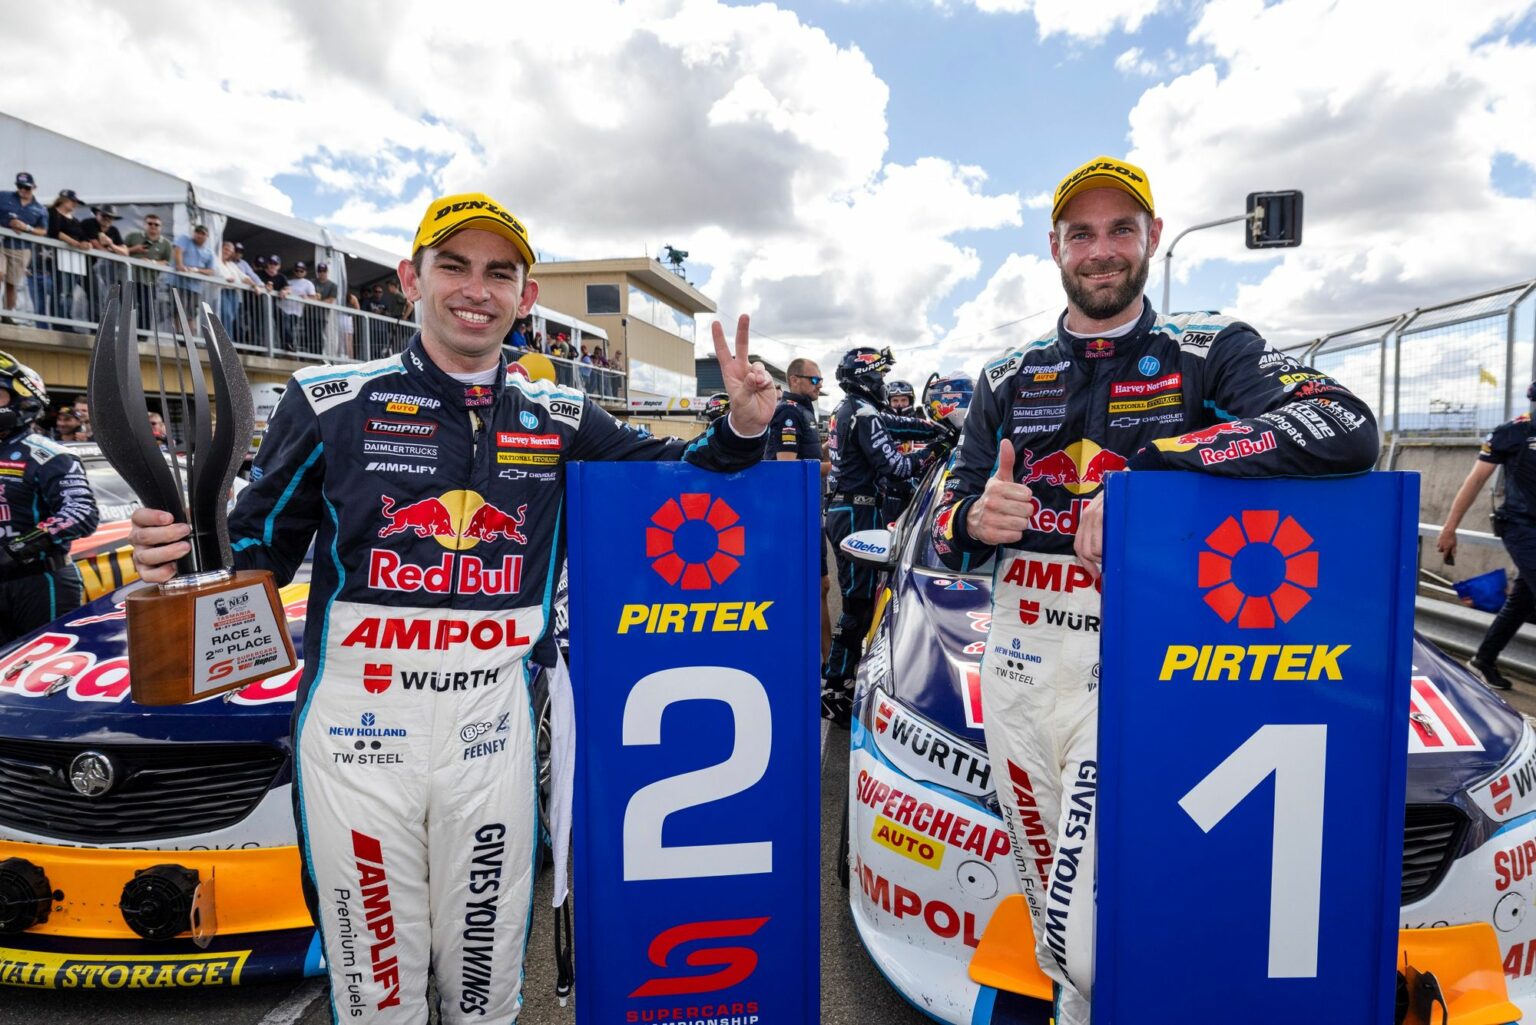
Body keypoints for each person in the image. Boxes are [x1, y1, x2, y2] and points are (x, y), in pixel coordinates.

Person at [128, 190, 775, 1025]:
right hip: (357, 743)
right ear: (412, 279)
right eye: (455, 266)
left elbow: (676, 475)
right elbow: (254, 554)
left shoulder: (561, 415)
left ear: (525, 297)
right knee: (376, 997)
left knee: (484, 993)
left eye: (499, 273)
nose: (476, 289)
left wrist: (744, 426)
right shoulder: (329, 401)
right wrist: (176, 563)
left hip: (492, 740)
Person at [929, 155, 1379, 1025]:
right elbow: (948, 522)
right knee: (1058, 929)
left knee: (1090, 930)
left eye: (1121, 230)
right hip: (1020, 657)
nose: (1101, 250)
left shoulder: (1210, 348)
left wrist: (1156, 473)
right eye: (1082, 233)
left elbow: (1344, 425)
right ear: (1055, 247)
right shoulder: (1005, 375)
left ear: (1153, 237)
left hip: (1145, 656)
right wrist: (973, 519)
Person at [822, 346, 953, 724]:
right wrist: (937, 449)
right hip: (856, 511)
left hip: (850, 508)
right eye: (879, 376)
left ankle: (839, 683)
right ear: (865, 378)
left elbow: (896, 425)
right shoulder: (862, 413)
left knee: (863, 602)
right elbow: (896, 466)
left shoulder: (852, 409)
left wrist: (937, 429)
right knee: (858, 606)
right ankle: (835, 689)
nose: (882, 383)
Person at [1436, 384, 1536, 690]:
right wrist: (1450, 528)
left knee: (1522, 600)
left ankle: (1483, 660)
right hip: (1520, 525)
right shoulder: (1513, 432)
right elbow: (1476, 479)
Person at [0, 352, 99, 645]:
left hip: (41, 582)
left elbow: (81, 512)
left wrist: (16, 549)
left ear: (23, 398)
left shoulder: (50, 454)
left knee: (45, 666)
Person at [770, 358, 836, 660]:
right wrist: (834, 467)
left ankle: (827, 661)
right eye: (815, 379)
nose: (820, 385)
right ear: (794, 380)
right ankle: (808, 660)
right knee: (804, 588)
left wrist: (830, 449)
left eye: (820, 380)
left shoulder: (806, 411)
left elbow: (805, 455)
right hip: (793, 516)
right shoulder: (788, 411)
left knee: (821, 586)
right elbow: (786, 467)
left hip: (810, 510)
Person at [0, 172, 47, 315]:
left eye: (26, 187)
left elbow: (43, 230)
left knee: (11, 284)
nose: (22, 190)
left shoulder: (40, 209)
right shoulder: (3, 196)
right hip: (1, 243)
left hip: (21, 248)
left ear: (34, 187)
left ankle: (8, 314)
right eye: (19, 186)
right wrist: (7, 224)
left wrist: (26, 227)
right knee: (0, 274)